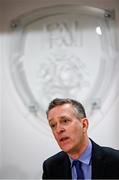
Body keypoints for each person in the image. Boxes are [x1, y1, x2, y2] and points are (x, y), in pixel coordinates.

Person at [42, 98, 119, 179]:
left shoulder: (116, 161)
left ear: (84, 125)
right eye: (53, 125)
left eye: (65, 121)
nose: (58, 130)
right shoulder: (50, 167)